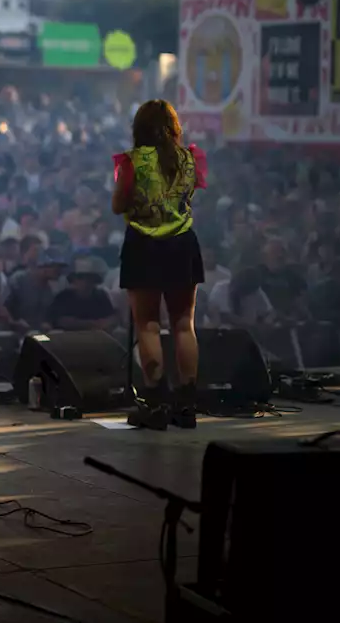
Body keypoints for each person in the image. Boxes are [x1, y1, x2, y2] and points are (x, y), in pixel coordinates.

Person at [112, 99, 206, 430]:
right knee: (184, 324)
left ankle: (153, 405)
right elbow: (189, 196)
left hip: (144, 245)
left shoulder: (132, 162)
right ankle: (187, 405)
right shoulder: (189, 159)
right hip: (182, 244)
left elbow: (118, 203)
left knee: (148, 324)